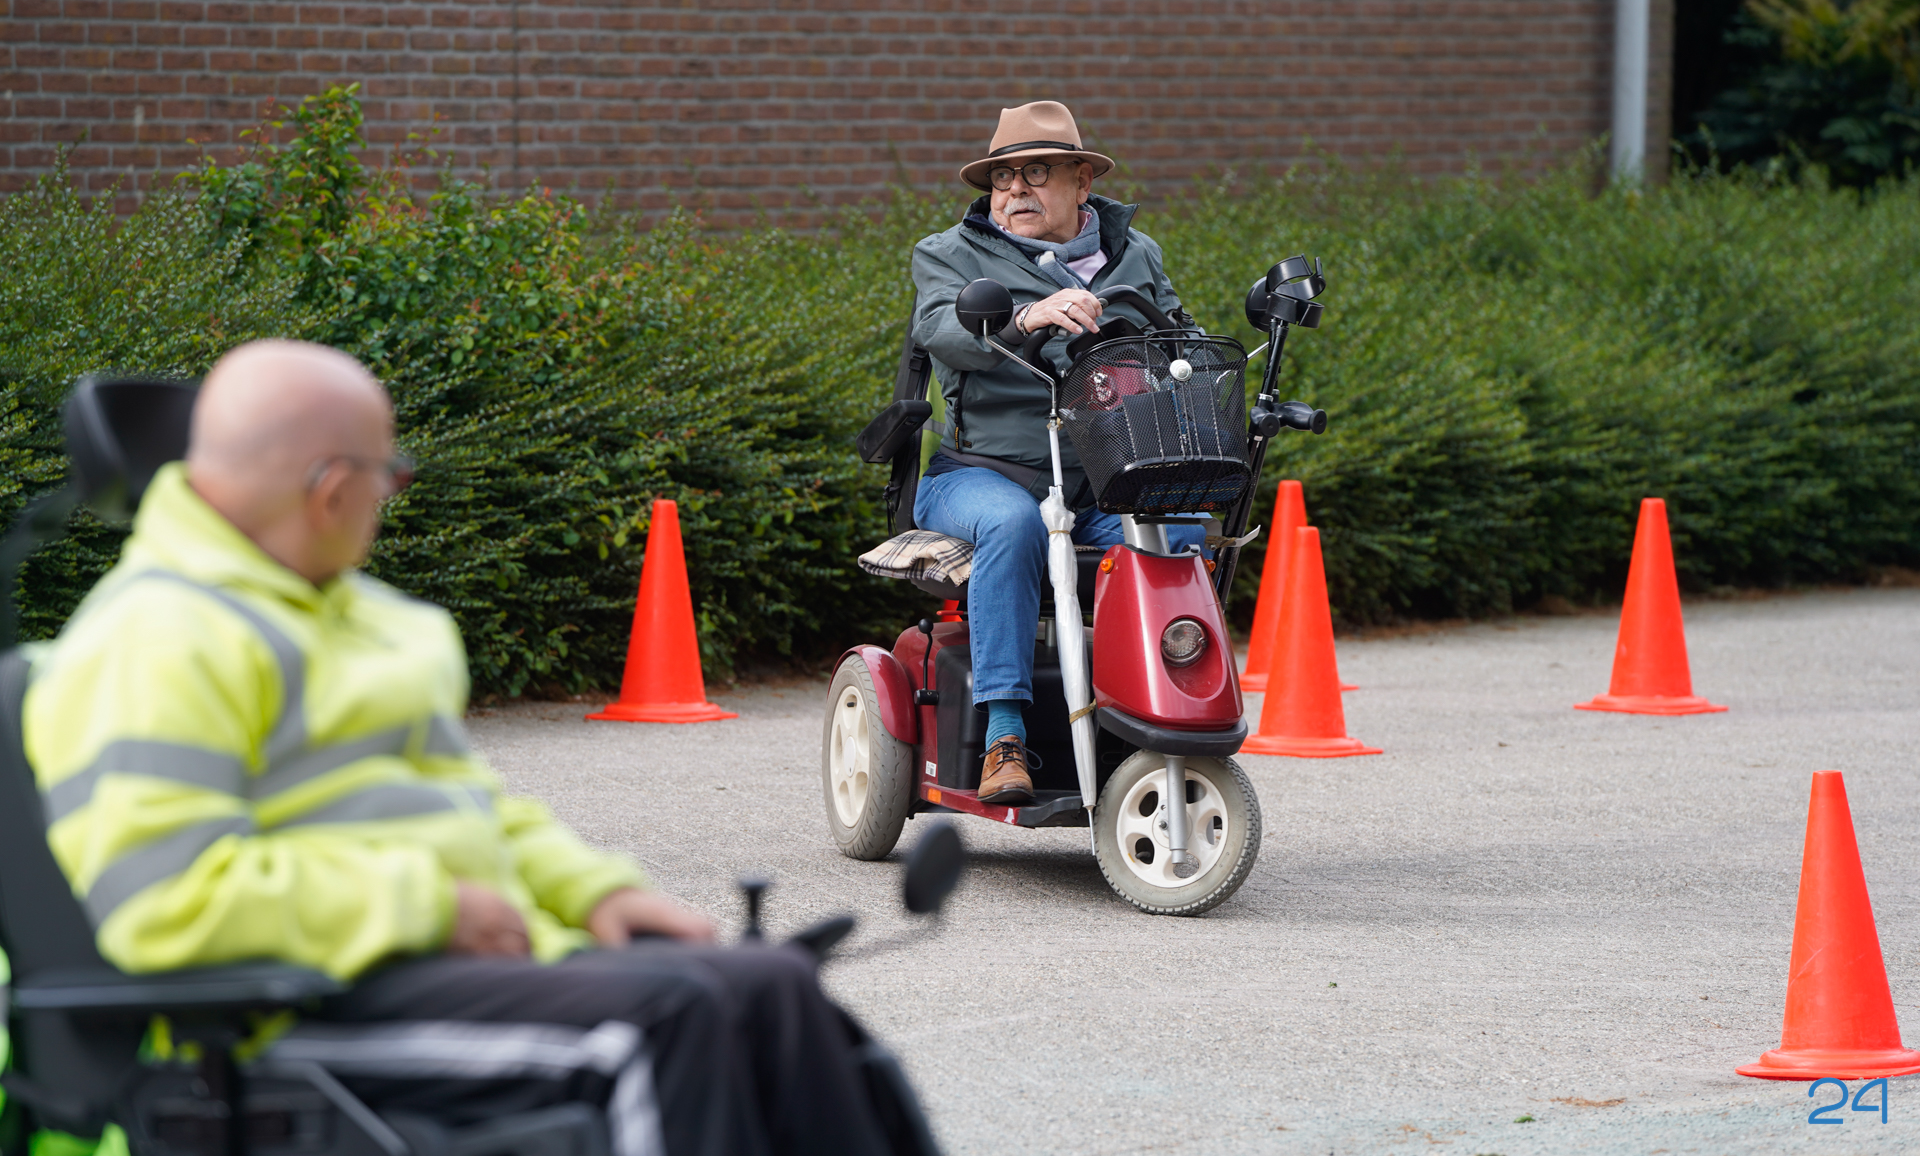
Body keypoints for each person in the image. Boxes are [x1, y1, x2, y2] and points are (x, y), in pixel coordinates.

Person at [22, 340, 889, 1156]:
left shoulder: (363, 617)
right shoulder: (158, 638)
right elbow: (169, 901)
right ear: (332, 491)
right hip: (299, 1011)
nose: (387, 497)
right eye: (389, 476)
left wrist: (594, 892)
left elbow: (473, 807)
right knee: (666, 1021)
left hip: (436, 973)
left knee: (770, 988)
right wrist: (429, 906)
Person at [910, 101, 1205, 806]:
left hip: (1101, 480)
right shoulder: (948, 253)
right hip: (981, 474)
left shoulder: (1136, 254)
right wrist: (1024, 318)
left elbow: (1179, 333)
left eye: (1036, 173)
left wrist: (1185, 362)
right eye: (1002, 177)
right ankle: (1004, 737)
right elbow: (940, 330)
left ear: (1082, 182)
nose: (1014, 190)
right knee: (1013, 524)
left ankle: (1153, 714)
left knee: (1178, 533)